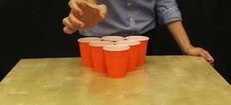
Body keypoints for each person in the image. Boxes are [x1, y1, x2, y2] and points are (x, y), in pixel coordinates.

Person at [62, 0, 214, 64]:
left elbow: (166, 5)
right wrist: (87, 10)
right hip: (99, 44)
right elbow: (87, 3)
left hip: (145, 42)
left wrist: (187, 47)